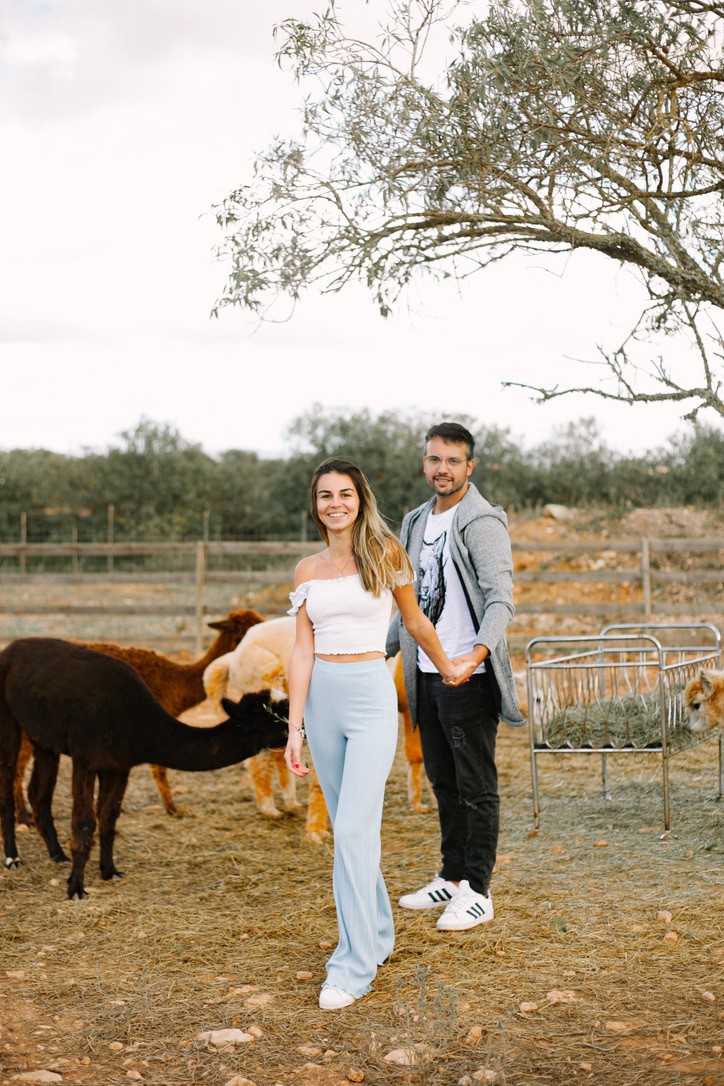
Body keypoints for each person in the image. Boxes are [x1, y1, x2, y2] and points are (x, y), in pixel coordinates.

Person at [284, 456, 468, 1011]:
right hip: (321, 705)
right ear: (315, 506)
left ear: (360, 499)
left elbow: (414, 622)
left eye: (345, 494)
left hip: (369, 696)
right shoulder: (305, 571)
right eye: (325, 496)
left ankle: (353, 965)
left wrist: (450, 665)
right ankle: (378, 934)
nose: (335, 503)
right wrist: (293, 728)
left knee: (354, 834)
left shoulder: (386, 554)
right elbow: (301, 649)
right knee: (347, 829)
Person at [387, 422, 524, 933]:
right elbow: (409, 604)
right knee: (442, 781)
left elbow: (501, 599)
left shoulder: (482, 521)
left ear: (470, 466)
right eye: (433, 459)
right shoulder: (415, 521)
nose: (441, 469)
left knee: (476, 785)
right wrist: (374, 652)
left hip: (467, 675)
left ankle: (478, 891)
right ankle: (450, 874)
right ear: (424, 463)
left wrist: (477, 655)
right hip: (423, 673)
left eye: (452, 461)